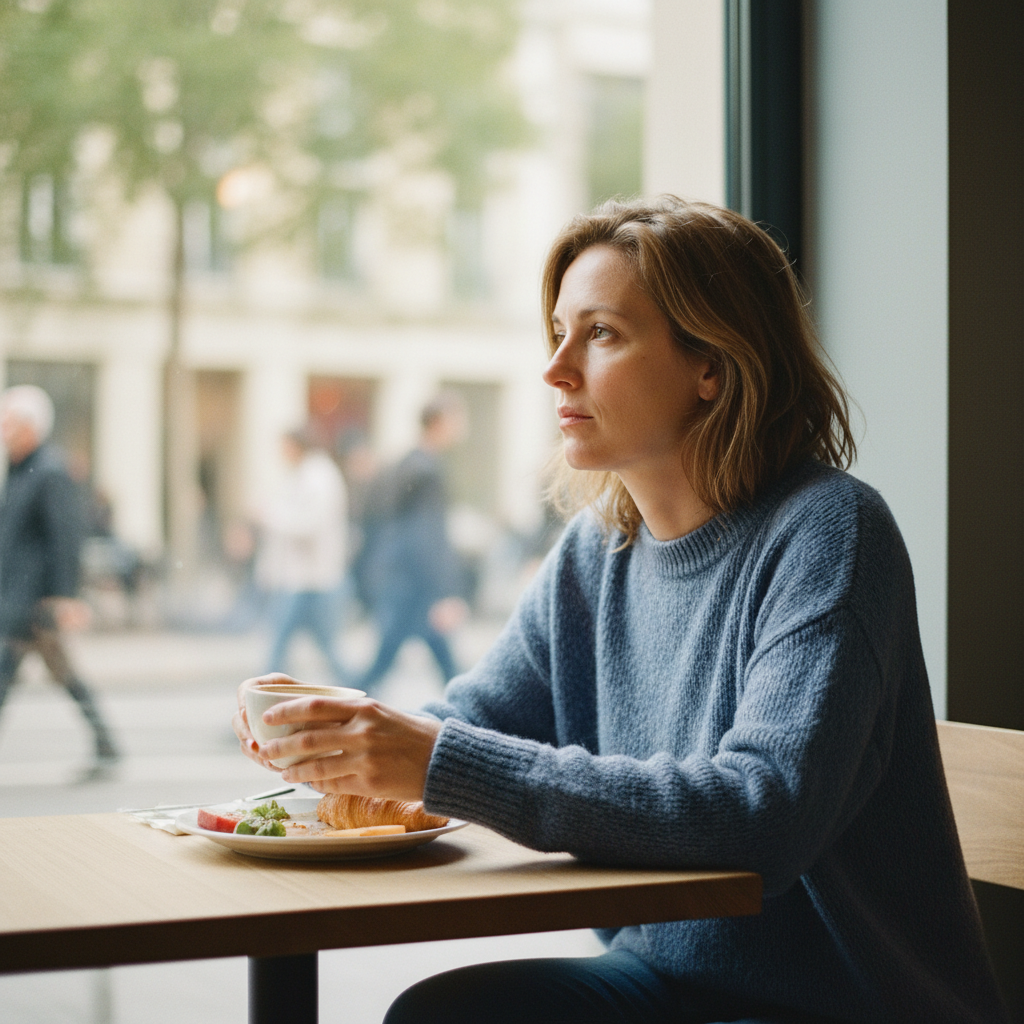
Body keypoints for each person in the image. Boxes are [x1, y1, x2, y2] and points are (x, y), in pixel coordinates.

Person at [232, 197, 1007, 1023]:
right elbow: (474, 722)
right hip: (666, 978)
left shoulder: (830, 533)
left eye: (600, 333)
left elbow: (763, 815)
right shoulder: (597, 549)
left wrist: (439, 760)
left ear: (712, 364)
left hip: (849, 1001)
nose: (556, 368)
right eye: (559, 332)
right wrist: (332, 744)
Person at [0, 385, 120, 778]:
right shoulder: (21, 469)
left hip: (36, 599)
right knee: (56, 672)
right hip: (20, 595)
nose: (3, 428)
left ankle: (107, 744)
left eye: (9, 421)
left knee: (18, 670)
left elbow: (65, 537)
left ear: (30, 427)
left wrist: (65, 596)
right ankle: (106, 743)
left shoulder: (50, 470)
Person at [355, 394, 469, 691]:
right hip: (413, 585)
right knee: (433, 664)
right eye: (456, 420)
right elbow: (427, 534)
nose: (460, 427)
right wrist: (444, 592)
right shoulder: (426, 470)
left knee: (432, 662)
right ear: (438, 424)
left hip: (401, 577)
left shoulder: (406, 463)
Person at [257, 428, 350, 684]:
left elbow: (309, 525)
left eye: (284, 447)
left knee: (281, 645)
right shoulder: (306, 475)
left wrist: (269, 516)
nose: (281, 454)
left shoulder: (318, 477)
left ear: (297, 446)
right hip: (305, 580)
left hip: (311, 580)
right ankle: (361, 693)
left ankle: (262, 705)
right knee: (321, 648)